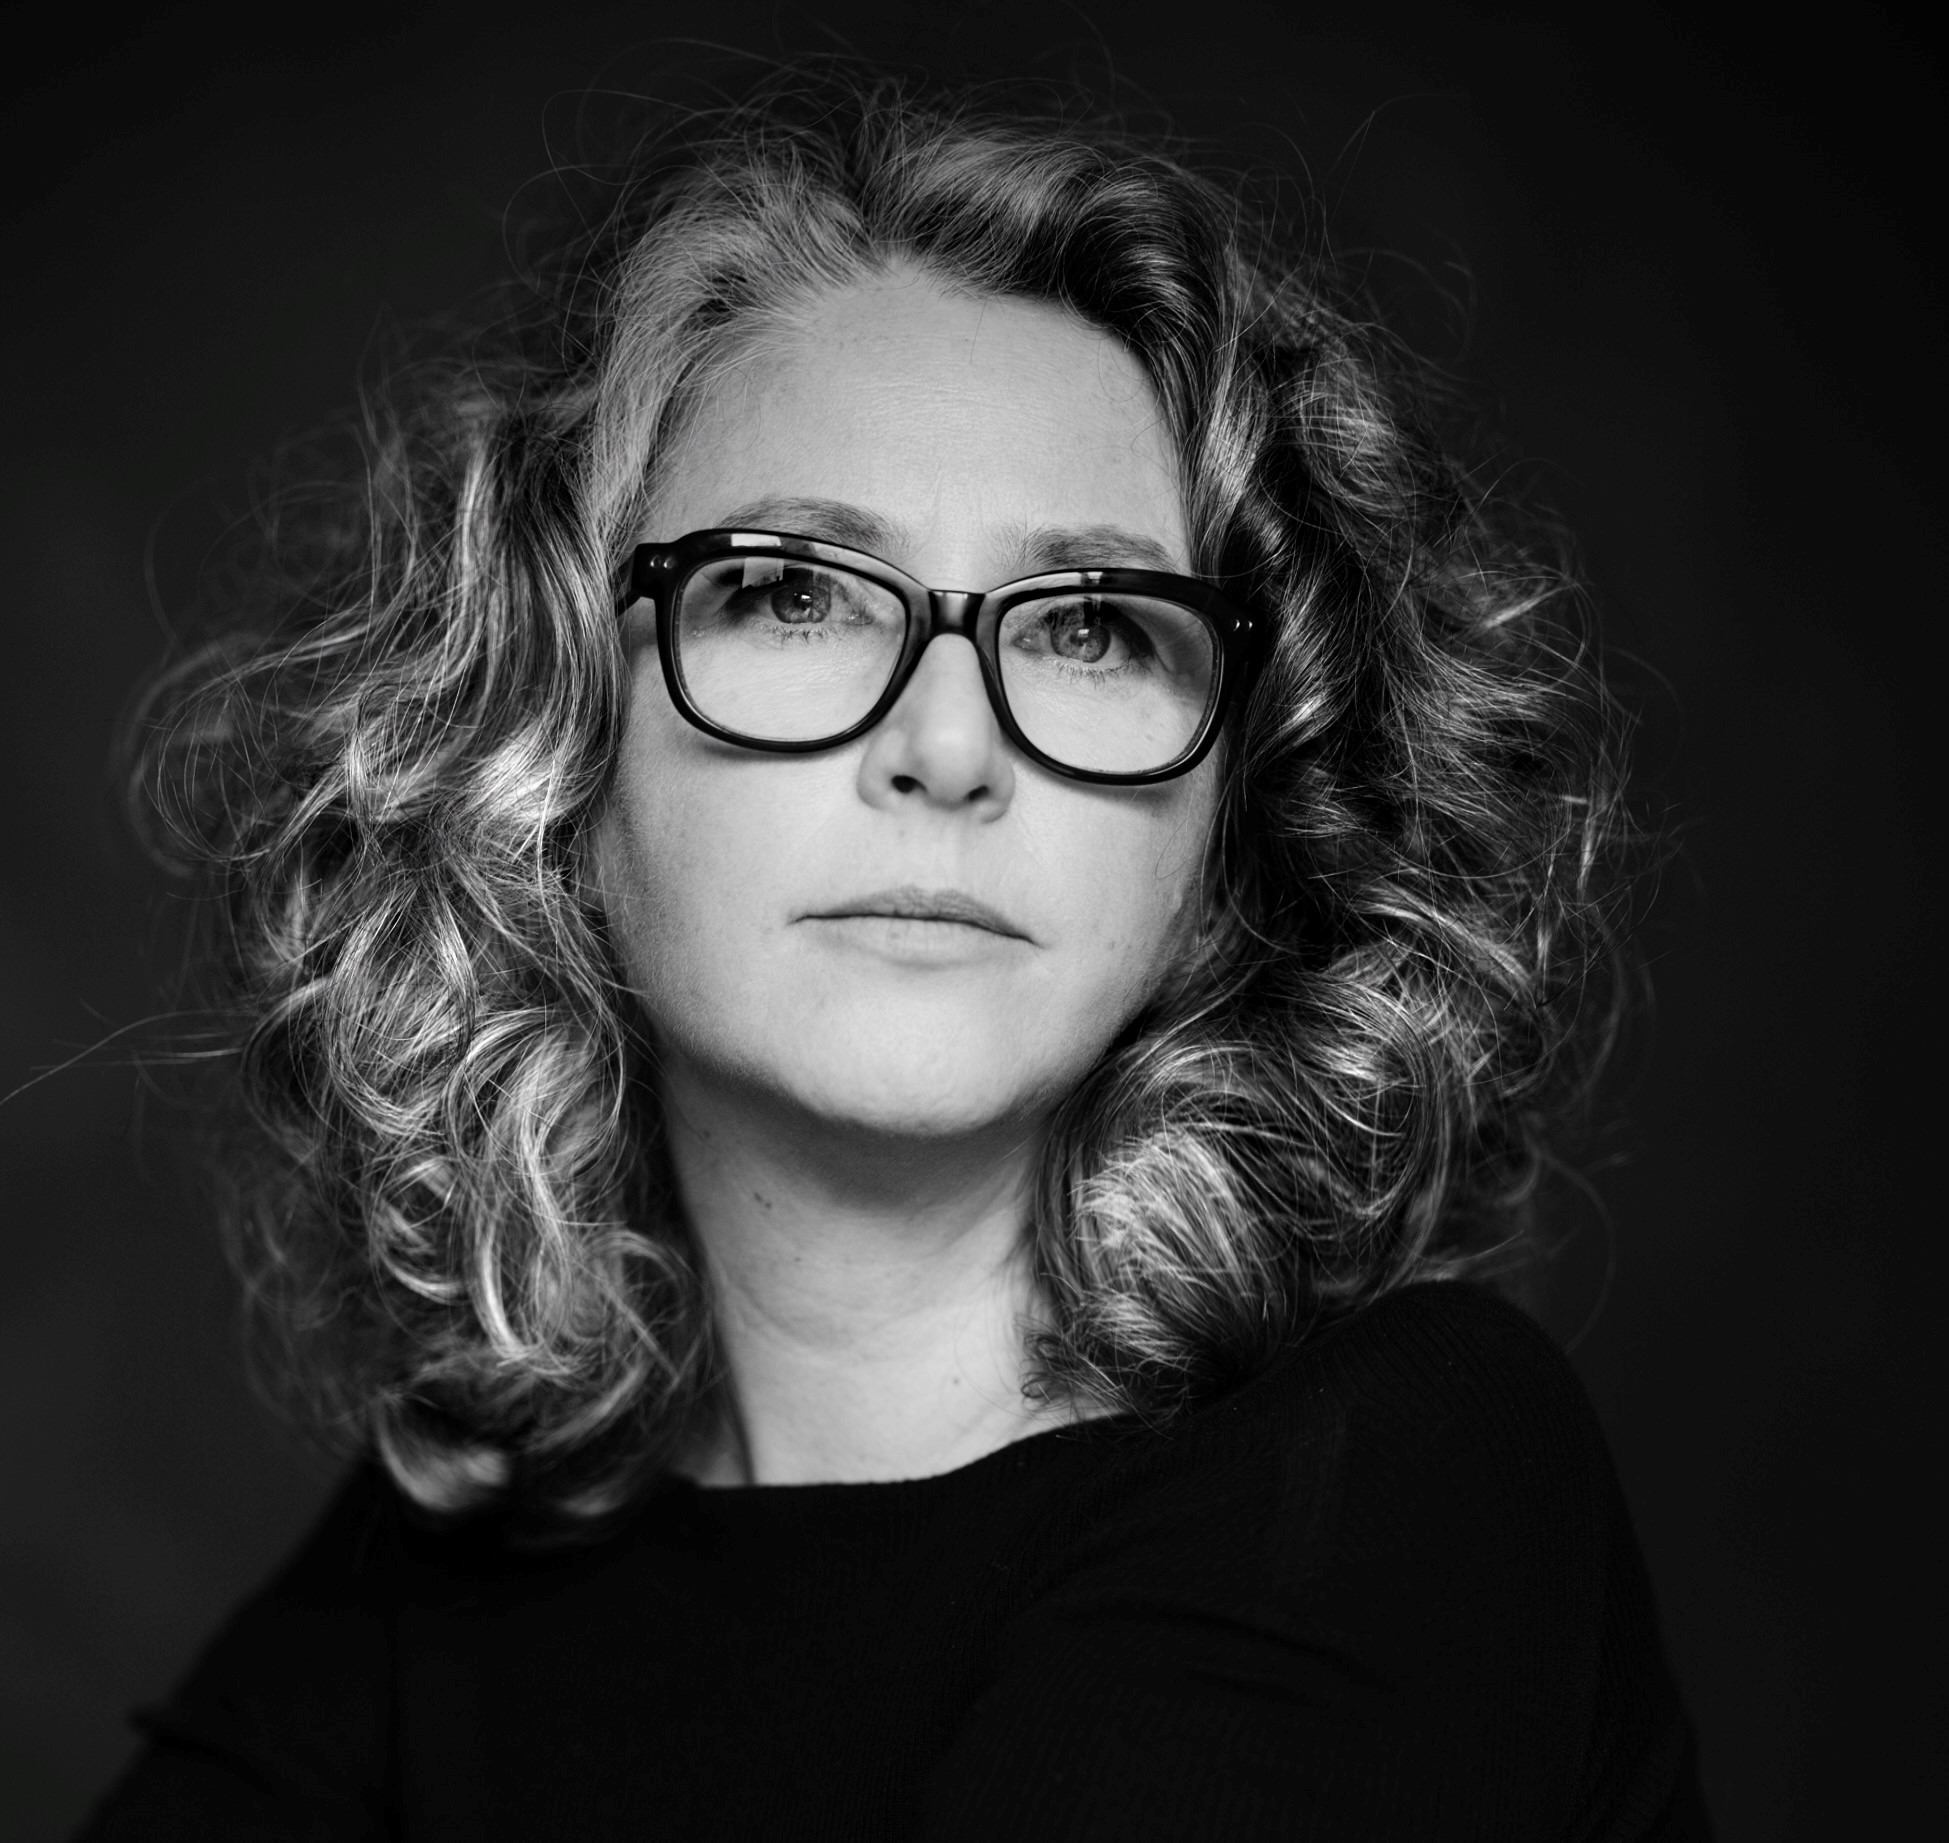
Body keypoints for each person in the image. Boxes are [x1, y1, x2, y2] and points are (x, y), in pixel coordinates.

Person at [83, 71, 1708, 1841]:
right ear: (548, 740)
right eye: (792, 592)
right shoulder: (445, 1562)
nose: (947, 747)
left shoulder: (1390, 1468)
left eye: (1092, 626)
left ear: (1231, 820)